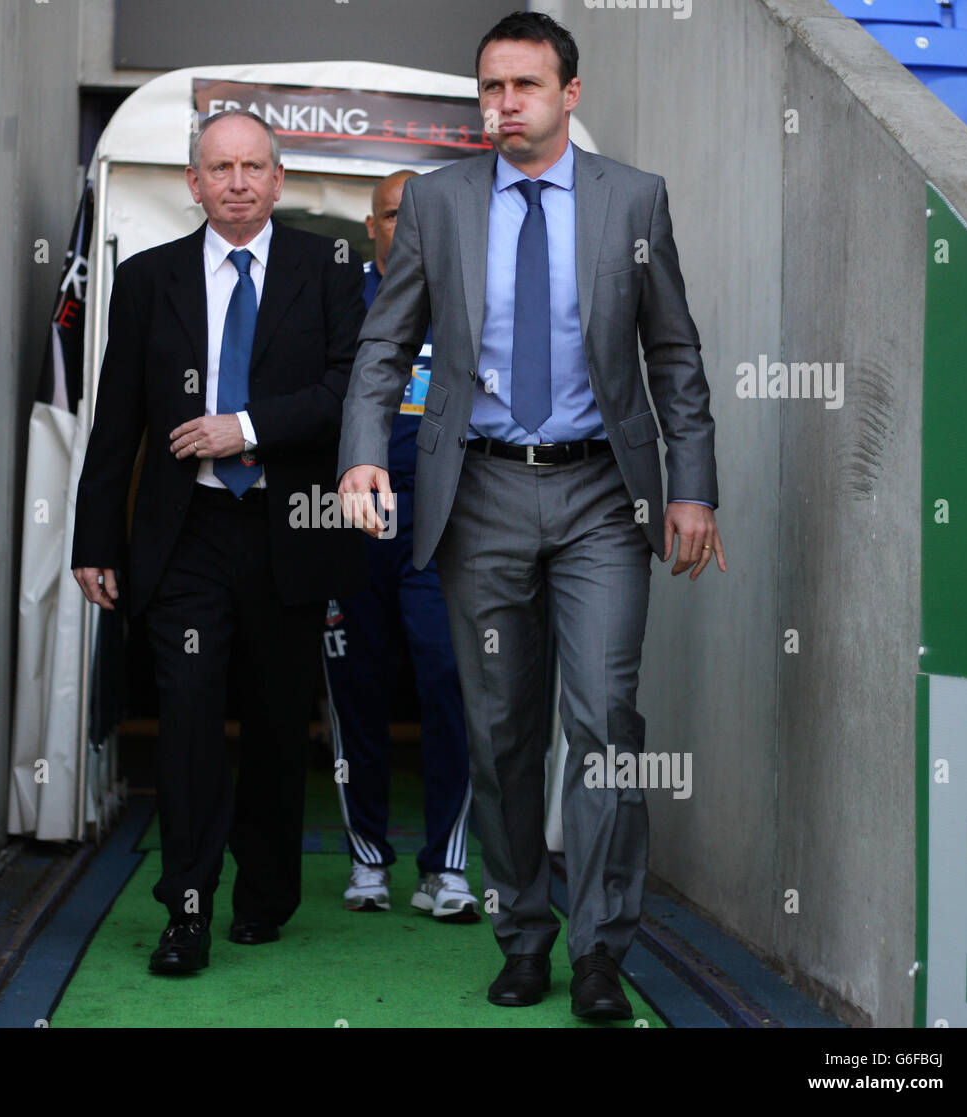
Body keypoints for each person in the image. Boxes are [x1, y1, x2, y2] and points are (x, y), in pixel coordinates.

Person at [338, 11, 725, 1021]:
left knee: (604, 722)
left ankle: (601, 948)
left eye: (522, 86)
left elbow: (673, 354)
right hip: (483, 497)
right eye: (490, 88)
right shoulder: (436, 203)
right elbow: (383, 351)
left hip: (604, 494)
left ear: (568, 95)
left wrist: (691, 487)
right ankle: (522, 932)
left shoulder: (633, 199)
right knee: (504, 728)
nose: (502, 105)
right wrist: (360, 460)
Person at [73, 109, 366, 975]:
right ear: (193, 183)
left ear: (279, 180)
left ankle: (266, 894)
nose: (237, 181)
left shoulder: (328, 268)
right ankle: (187, 909)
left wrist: (244, 425)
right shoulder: (150, 278)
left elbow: (347, 388)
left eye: (253, 167)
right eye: (220, 168)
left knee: (278, 724)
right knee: (190, 721)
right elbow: (115, 420)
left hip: (289, 530)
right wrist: (95, 540)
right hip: (187, 535)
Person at [323, 171, 478, 922]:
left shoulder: (470, 308)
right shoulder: (336, 304)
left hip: (441, 522)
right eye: (393, 215)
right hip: (351, 523)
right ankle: (367, 860)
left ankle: (447, 866)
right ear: (372, 227)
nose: (406, 227)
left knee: (450, 680)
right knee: (357, 690)